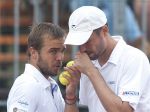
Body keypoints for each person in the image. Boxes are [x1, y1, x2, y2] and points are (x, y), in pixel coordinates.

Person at [64, 6, 150, 112]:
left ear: (104, 30)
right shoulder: (88, 63)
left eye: (87, 41)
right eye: (78, 43)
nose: (82, 49)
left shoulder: (135, 58)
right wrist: (71, 96)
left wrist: (91, 71)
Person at [7, 23, 79, 112]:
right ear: (33, 53)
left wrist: (70, 96)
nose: (60, 57)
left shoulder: (51, 84)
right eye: (53, 51)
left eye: (62, 51)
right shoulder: (27, 86)